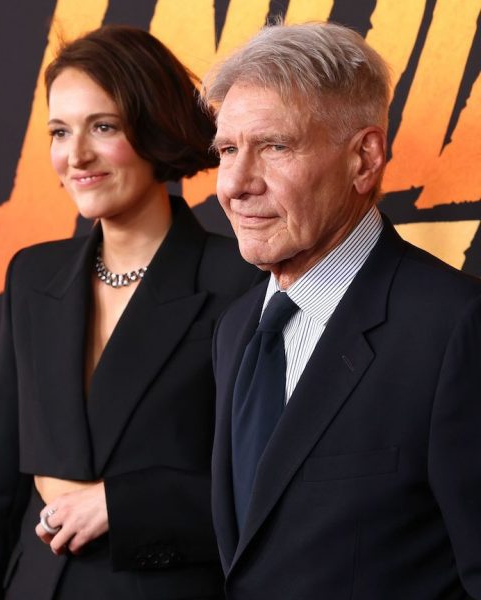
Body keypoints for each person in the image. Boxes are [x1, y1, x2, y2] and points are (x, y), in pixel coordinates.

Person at [0, 25, 262, 599]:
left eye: (103, 126)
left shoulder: (242, 283)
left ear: (154, 129)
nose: (76, 157)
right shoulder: (32, 276)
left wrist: (120, 504)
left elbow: (267, 492)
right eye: (59, 131)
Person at [202, 21, 481, 599]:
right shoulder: (235, 329)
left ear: (364, 158)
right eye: (227, 150)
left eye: (274, 146)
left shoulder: (456, 329)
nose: (234, 184)